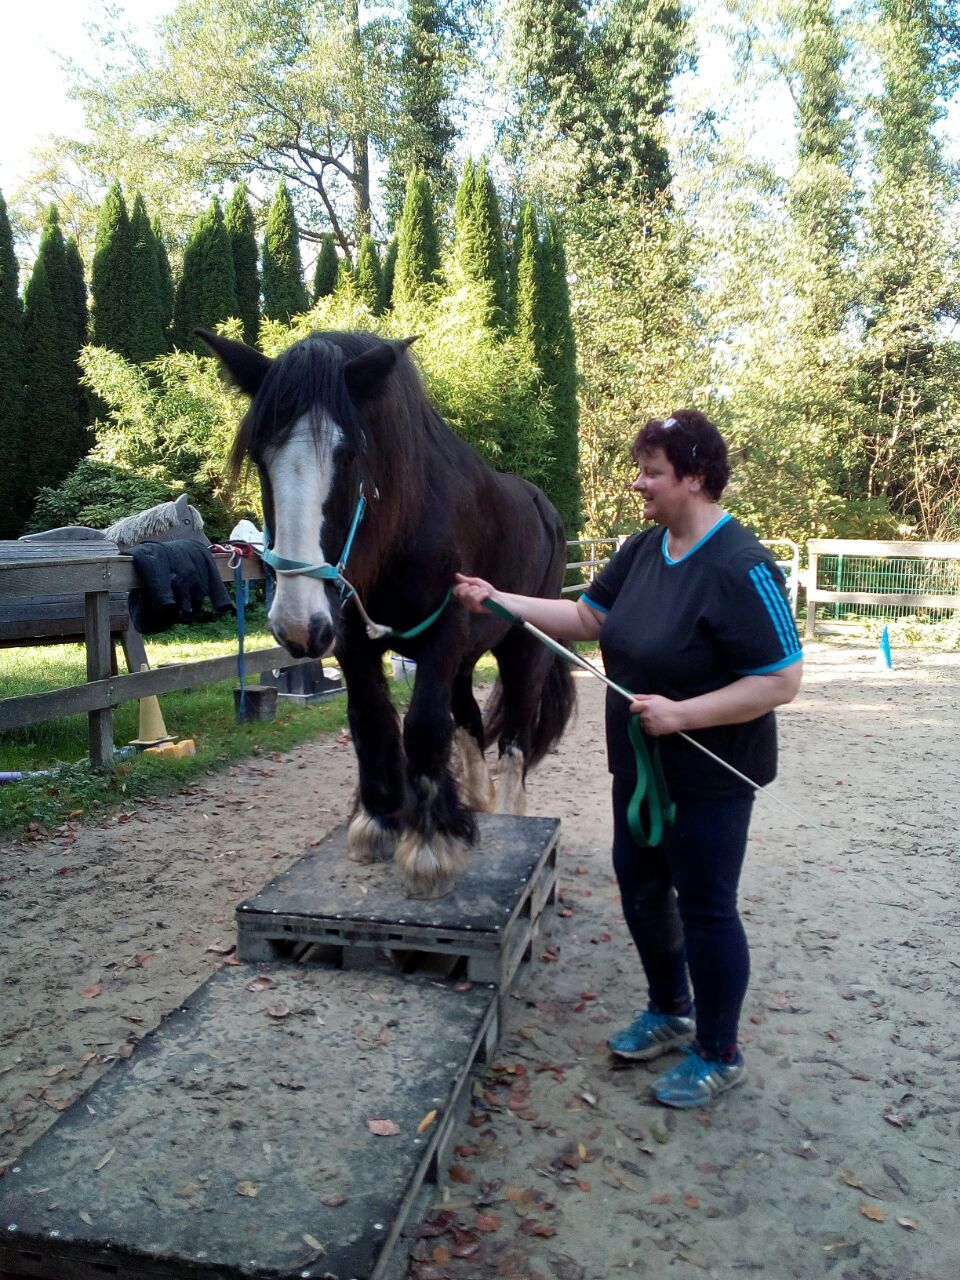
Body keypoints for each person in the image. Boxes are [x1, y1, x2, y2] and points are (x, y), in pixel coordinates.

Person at [454, 409, 802, 1109]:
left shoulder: (743, 565)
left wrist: (684, 714)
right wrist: (499, 601)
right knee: (641, 888)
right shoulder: (644, 548)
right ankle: (669, 1010)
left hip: (709, 774)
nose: (638, 483)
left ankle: (720, 1052)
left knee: (706, 908)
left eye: (652, 472)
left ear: (695, 478)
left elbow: (781, 679)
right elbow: (588, 618)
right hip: (639, 767)